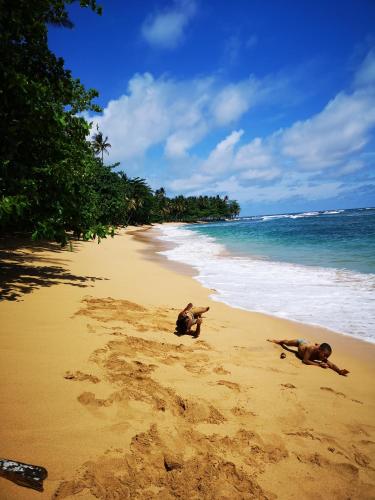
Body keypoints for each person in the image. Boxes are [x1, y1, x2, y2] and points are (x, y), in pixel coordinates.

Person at [267, 338, 349, 376]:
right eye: (324, 355)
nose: (325, 357)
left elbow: (331, 365)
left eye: (327, 356)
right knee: (287, 343)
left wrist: (339, 371)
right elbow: (305, 360)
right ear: (319, 351)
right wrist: (318, 364)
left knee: (325, 359)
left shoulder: (322, 356)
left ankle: (318, 344)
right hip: (302, 343)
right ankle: (276, 340)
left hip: (312, 346)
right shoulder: (311, 349)